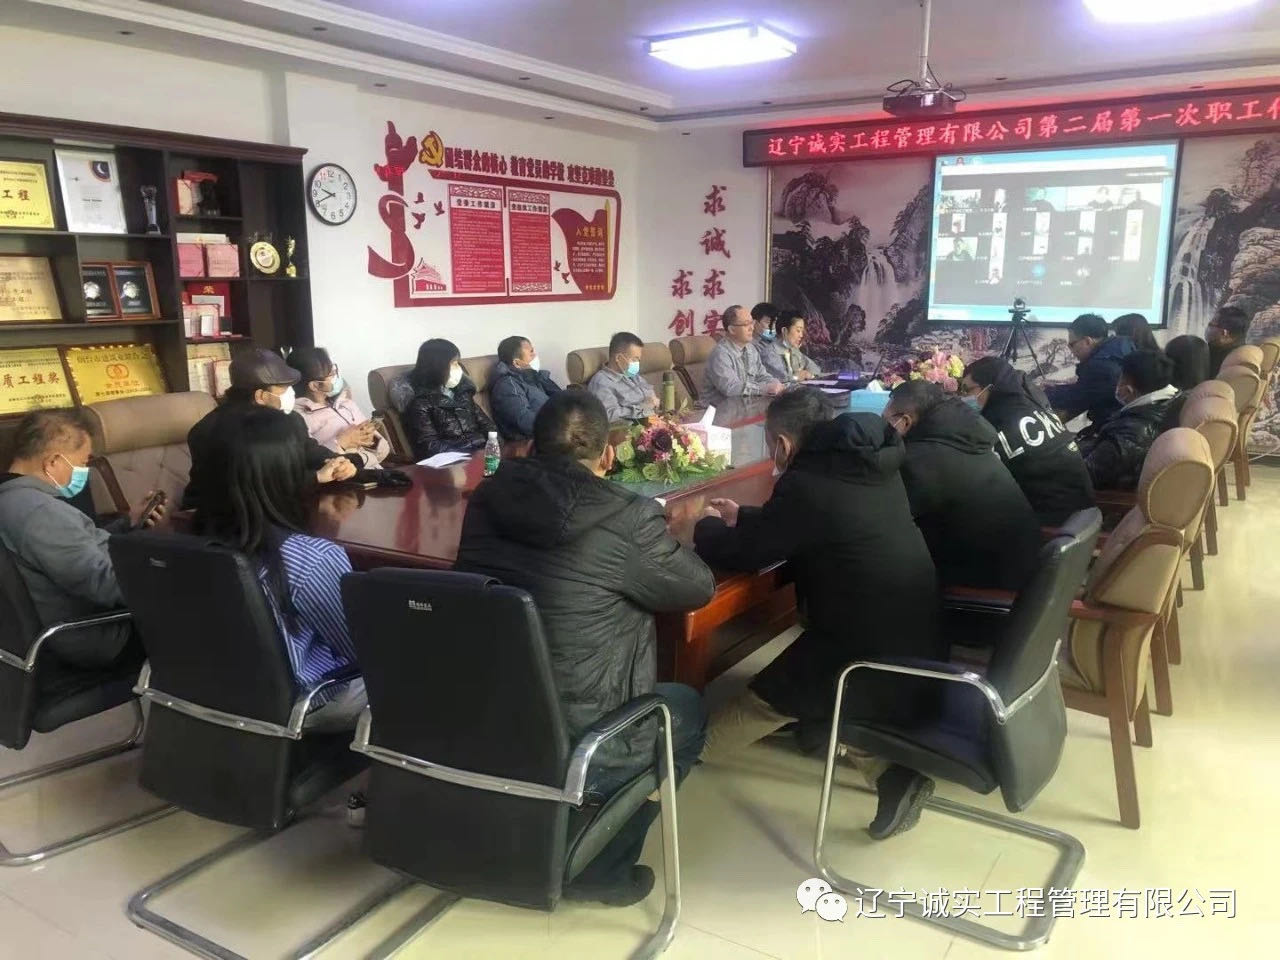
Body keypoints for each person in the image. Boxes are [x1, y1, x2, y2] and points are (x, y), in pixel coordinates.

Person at [456, 391, 714, 904]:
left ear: (531, 448)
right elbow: (697, 588)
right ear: (608, 455)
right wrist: (681, 536)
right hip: (584, 735)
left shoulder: (488, 496)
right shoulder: (629, 516)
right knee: (686, 709)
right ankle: (603, 863)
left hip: (487, 714)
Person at [694, 389, 942, 839]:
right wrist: (745, 514)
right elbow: (814, 520)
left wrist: (703, 525)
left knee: (752, 712)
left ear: (782, 443)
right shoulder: (866, 466)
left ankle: (682, 752)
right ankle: (893, 776)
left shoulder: (807, 484)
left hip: (859, 644)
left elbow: (748, 554)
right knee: (826, 698)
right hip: (914, 627)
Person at [193, 407, 365, 730]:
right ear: (286, 477)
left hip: (216, 691)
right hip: (303, 702)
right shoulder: (311, 559)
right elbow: (362, 652)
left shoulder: (188, 544)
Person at [0, 409, 165, 668]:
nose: (84, 471)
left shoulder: (14, 500)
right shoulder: (39, 512)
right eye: (83, 462)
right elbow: (103, 583)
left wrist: (127, 524)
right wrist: (173, 585)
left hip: (74, 628)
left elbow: (77, 546)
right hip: (99, 636)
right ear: (53, 461)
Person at [884, 380, 1041, 591]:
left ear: (904, 422)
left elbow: (887, 522)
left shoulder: (921, 460)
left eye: (885, 422)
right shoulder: (966, 439)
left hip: (987, 587)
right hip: (1022, 571)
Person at [184, 350, 359, 510]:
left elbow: (309, 450)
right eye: (284, 389)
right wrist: (315, 477)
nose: (292, 393)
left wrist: (340, 464)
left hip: (275, 510)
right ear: (261, 396)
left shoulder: (289, 419)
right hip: (218, 519)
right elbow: (255, 487)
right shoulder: (213, 431)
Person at [961, 356, 1095, 525]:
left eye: (967, 390)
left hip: (1055, 520)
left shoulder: (997, 424)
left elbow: (980, 481)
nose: (964, 398)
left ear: (990, 387)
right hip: (1083, 510)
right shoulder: (1031, 404)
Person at [1079, 350, 1178, 491]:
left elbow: (1085, 475)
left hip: (1109, 494)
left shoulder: (1130, 433)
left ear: (1128, 389)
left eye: (1120, 377)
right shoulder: (1169, 401)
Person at [290, 346, 390, 469]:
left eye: (334, 369)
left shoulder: (346, 404)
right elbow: (307, 466)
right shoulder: (297, 418)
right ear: (315, 385)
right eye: (332, 374)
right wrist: (341, 443)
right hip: (345, 478)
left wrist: (372, 441)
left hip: (375, 473)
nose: (336, 377)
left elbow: (383, 453)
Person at [402, 338, 498, 460]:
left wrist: (493, 451)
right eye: (454, 363)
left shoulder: (463, 393)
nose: (459, 369)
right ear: (437, 367)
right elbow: (430, 448)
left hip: (483, 457)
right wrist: (475, 444)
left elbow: (490, 428)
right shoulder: (421, 404)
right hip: (453, 464)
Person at [1044, 313, 1135, 428]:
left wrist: (1044, 393)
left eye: (1072, 344)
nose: (1070, 350)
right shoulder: (1123, 349)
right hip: (1126, 422)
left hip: (1115, 428)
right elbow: (1086, 389)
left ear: (1087, 341)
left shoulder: (1100, 366)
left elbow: (1076, 398)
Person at [703, 305, 784, 407]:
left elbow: (762, 375)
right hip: (717, 410)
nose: (752, 328)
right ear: (732, 330)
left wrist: (776, 384)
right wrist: (764, 389)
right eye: (746, 324)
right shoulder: (720, 354)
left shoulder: (751, 349)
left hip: (743, 407)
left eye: (752, 323)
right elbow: (731, 388)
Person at [489, 335, 562, 439]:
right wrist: (562, 426)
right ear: (517, 363)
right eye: (531, 352)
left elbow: (562, 398)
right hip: (532, 440)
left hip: (556, 431)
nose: (535, 355)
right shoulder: (507, 385)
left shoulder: (534, 377)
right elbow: (526, 422)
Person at [587, 331, 659, 422]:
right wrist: (643, 407)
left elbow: (650, 393)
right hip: (634, 428)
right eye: (634, 359)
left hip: (654, 421)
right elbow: (610, 416)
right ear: (618, 358)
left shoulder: (631, 374)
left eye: (638, 360)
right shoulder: (601, 382)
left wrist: (652, 400)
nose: (637, 364)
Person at [770, 310, 822, 382]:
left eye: (802, 331)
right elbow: (782, 379)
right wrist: (796, 377)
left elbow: (815, 369)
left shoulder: (794, 350)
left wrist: (808, 374)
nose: (801, 335)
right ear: (784, 331)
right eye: (798, 330)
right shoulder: (770, 353)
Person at [1206, 304, 1251, 376]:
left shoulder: (1220, 360)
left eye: (1211, 325)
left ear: (1224, 333)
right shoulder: (1244, 353)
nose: (1207, 328)